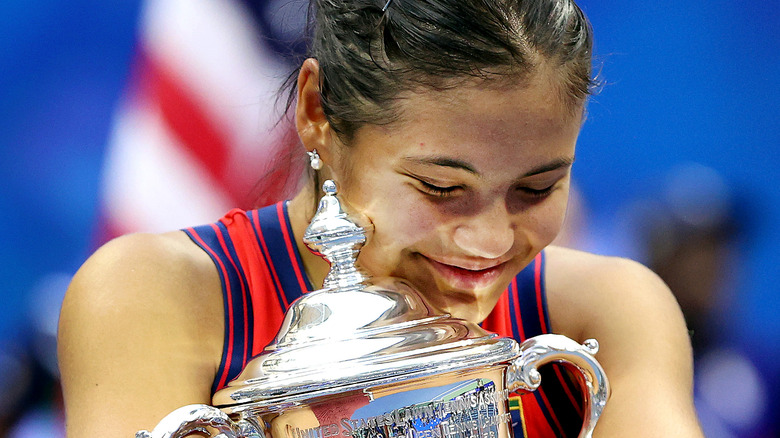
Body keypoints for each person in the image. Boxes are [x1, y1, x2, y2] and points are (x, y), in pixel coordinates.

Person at [57, 0, 704, 436]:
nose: (489, 240)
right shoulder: (150, 296)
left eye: (536, 189)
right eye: (441, 186)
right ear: (316, 111)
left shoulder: (605, 311)